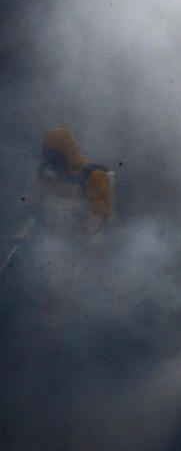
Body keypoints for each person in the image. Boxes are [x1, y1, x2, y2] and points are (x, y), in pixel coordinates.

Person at [28, 127, 113, 322]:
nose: (50, 157)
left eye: (54, 152)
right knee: (55, 290)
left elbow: (101, 213)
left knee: (98, 288)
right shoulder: (45, 169)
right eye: (47, 151)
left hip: (84, 240)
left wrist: (81, 233)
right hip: (53, 239)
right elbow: (34, 201)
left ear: (66, 150)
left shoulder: (93, 174)